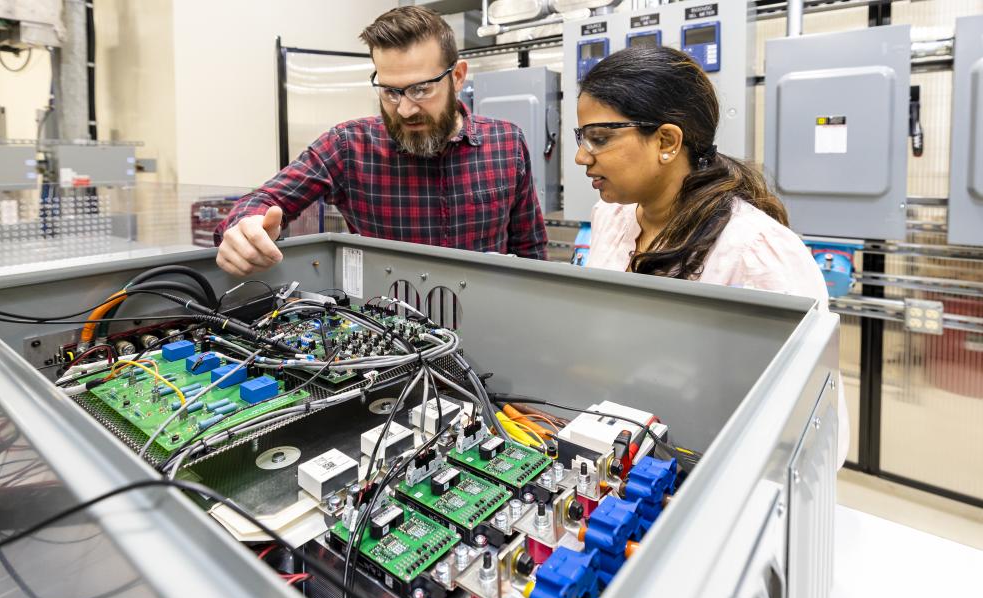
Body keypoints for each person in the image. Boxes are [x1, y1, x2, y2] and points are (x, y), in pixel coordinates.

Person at [576, 46, 849, 467]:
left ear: (667, 140)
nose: (582, 156)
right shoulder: (611, 218)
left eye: (599, 138)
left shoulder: (755, 251)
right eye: (582, 138)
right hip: (623, 453)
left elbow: (808, 422)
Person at [214, 6, 548, 277]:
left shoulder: (506, 142)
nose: (405, 109)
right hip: (388, 335)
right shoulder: (349, 146)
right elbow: (264, 199)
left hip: (494, 328)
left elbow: (530, 249)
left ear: (457, 76)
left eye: (420, 89)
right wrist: (245, 226)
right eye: (390, 91)